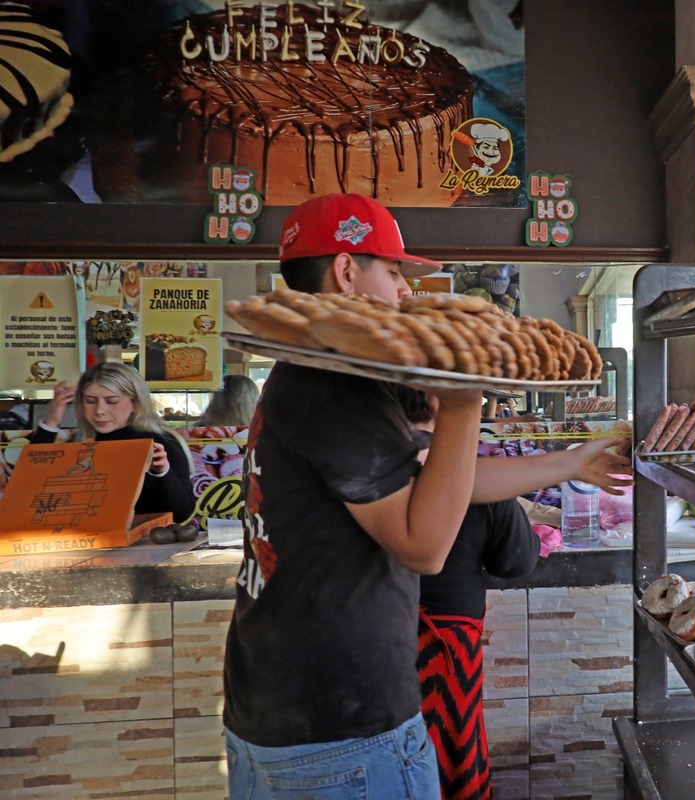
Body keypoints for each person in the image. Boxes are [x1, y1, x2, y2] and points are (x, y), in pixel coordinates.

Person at [222, 192, 631, 800]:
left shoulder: (313, 376)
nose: (405, 291)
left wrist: (572, 461)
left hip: (283, 705)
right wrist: (465, 397)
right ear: (346, 270)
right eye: (392, 273)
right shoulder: (334, 384)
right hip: (339, 725)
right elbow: (424, 545)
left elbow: (437, 480)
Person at [399, 388, 539, 800]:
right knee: (453, 752)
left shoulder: (366, 466)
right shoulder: (467, 472)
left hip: (377, 637)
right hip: (447, 639)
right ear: (442, 399)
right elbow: (516, 560)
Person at [30, 363, 196, 523]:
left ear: (135, 403)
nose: (99, 411)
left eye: (111, 401)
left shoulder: (161, 443)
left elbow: (182, 513)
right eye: (90, 401)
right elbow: (29, 487)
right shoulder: (77, 445)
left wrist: (163, 473)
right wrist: (50, 422)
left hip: (148, 545)